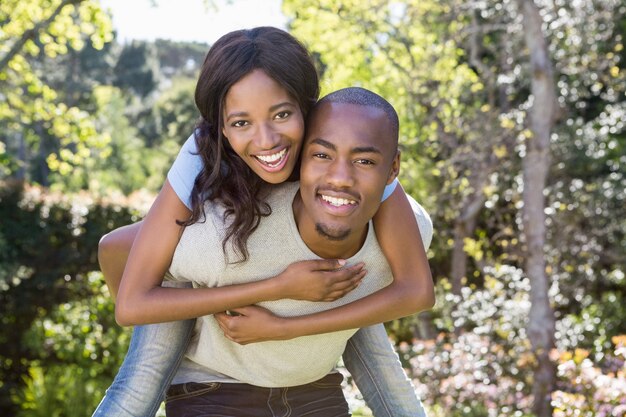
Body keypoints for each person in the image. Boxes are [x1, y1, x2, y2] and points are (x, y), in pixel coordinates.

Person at [93, 27, 432, 417]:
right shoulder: (203, 156)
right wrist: (275, 288)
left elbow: (416, 287)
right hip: (208, 298)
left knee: (365, 283)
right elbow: (123, 271)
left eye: (282, 114)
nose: (267, 139)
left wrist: (289, 327)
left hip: (327, 278)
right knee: (138, 386)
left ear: (307, 108)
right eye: (241, 123)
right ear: (221, 126)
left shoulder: (343, 149)